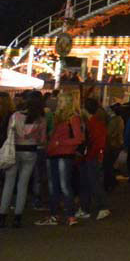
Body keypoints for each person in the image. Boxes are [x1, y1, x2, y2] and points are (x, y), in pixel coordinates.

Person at [0, 91, 47, 228]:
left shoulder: (15, 116)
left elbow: (9, 133)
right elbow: (42, 140)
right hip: (30, 151)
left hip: (14, 151)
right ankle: (17, 217)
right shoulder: (40, 119)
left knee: (9, 183)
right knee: (23, 184)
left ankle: (2, 215)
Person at [40, 90, 85, 226]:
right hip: (55, 153)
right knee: (56, 186)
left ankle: (67, 215)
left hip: (62, 153)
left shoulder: (72, 118)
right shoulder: (60, 117)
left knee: (62, 185)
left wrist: (59, 143)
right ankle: (59, 215)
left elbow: (78, 139)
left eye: (60, 101)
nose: (58, 103)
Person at [78, 97, 110, 220]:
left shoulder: (91, 124)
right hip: (92, 156)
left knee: (92, 182)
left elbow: (96, 143)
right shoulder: (96, 123)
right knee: (89, 182)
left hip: (91, 156)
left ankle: (102, 206)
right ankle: (87, 207)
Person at [103, 104, 124, 190]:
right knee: (110, 165)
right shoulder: (120, 120)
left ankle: (109, 183)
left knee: (108, 165)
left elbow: (109, 133)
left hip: (112, 145)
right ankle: (112, 181)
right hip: (117, 145)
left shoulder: (114, 120)